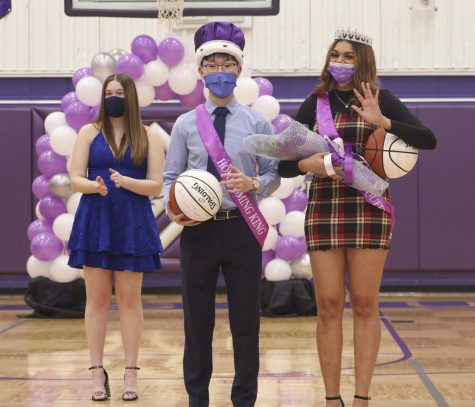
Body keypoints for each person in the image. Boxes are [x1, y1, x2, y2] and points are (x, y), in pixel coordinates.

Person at [278, 29, 436, 407]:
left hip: (370, 209)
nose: (341, 63)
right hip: (324, 209)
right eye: (336, 55)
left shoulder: (382, 100)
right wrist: (305, 162)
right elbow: (284, 165)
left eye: (349, 57)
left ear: (362, 61)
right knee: (329, 304)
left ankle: (362, 396)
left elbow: (428, 139)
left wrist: (385, 122)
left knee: (365, 302)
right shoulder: (314, 103)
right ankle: (332, 398)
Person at [163, 22, 280, 407]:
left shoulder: (257, 122)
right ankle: (198, 399)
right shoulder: (184, 124)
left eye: (226, 65)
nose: (219, 72)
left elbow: (272, 175)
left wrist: (255, 185)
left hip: (242, 229)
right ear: (200, 71)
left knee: (246, 324)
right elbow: (170, 178)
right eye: (211, 64)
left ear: (239, 70)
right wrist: (176, 209)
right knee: (198, 325)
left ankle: (244, 399)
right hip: (198, 233)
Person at [68, 73, 165, 401]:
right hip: (95, 219)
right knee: (95, 299)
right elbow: (74, 177)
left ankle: (130, 372)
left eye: (118, 92)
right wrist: (93, 186)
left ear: (131, 96)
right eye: (108, 92)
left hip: (132, 221)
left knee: (129, 300)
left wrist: (126, 182)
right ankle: (96, 371)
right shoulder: (87, 132)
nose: (113, 97)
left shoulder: (149, 135)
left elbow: (156, 184)